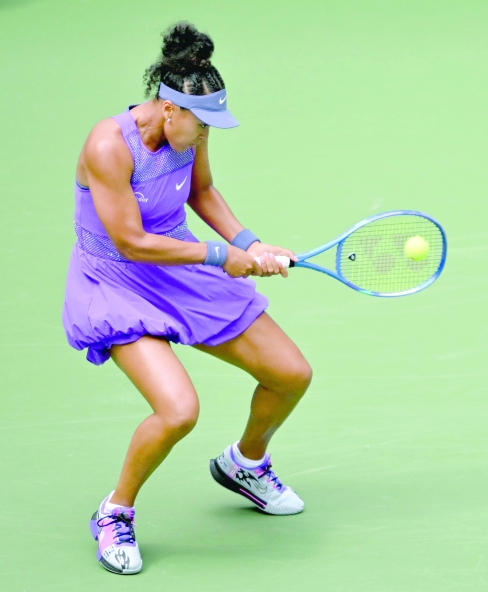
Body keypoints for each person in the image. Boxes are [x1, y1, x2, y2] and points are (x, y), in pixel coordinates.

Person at [63, 22, 313, 575]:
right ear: (168, 109)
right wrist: (224, 258)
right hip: (116, 281)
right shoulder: (108, 145)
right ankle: (114, 512)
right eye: (199, 125)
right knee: (178, 411)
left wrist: (250, 243)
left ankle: (245, 464)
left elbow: (201, 191)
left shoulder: (191, 130)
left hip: (180, 264)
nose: (203, 135)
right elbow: (130, 240)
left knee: (291, 373)